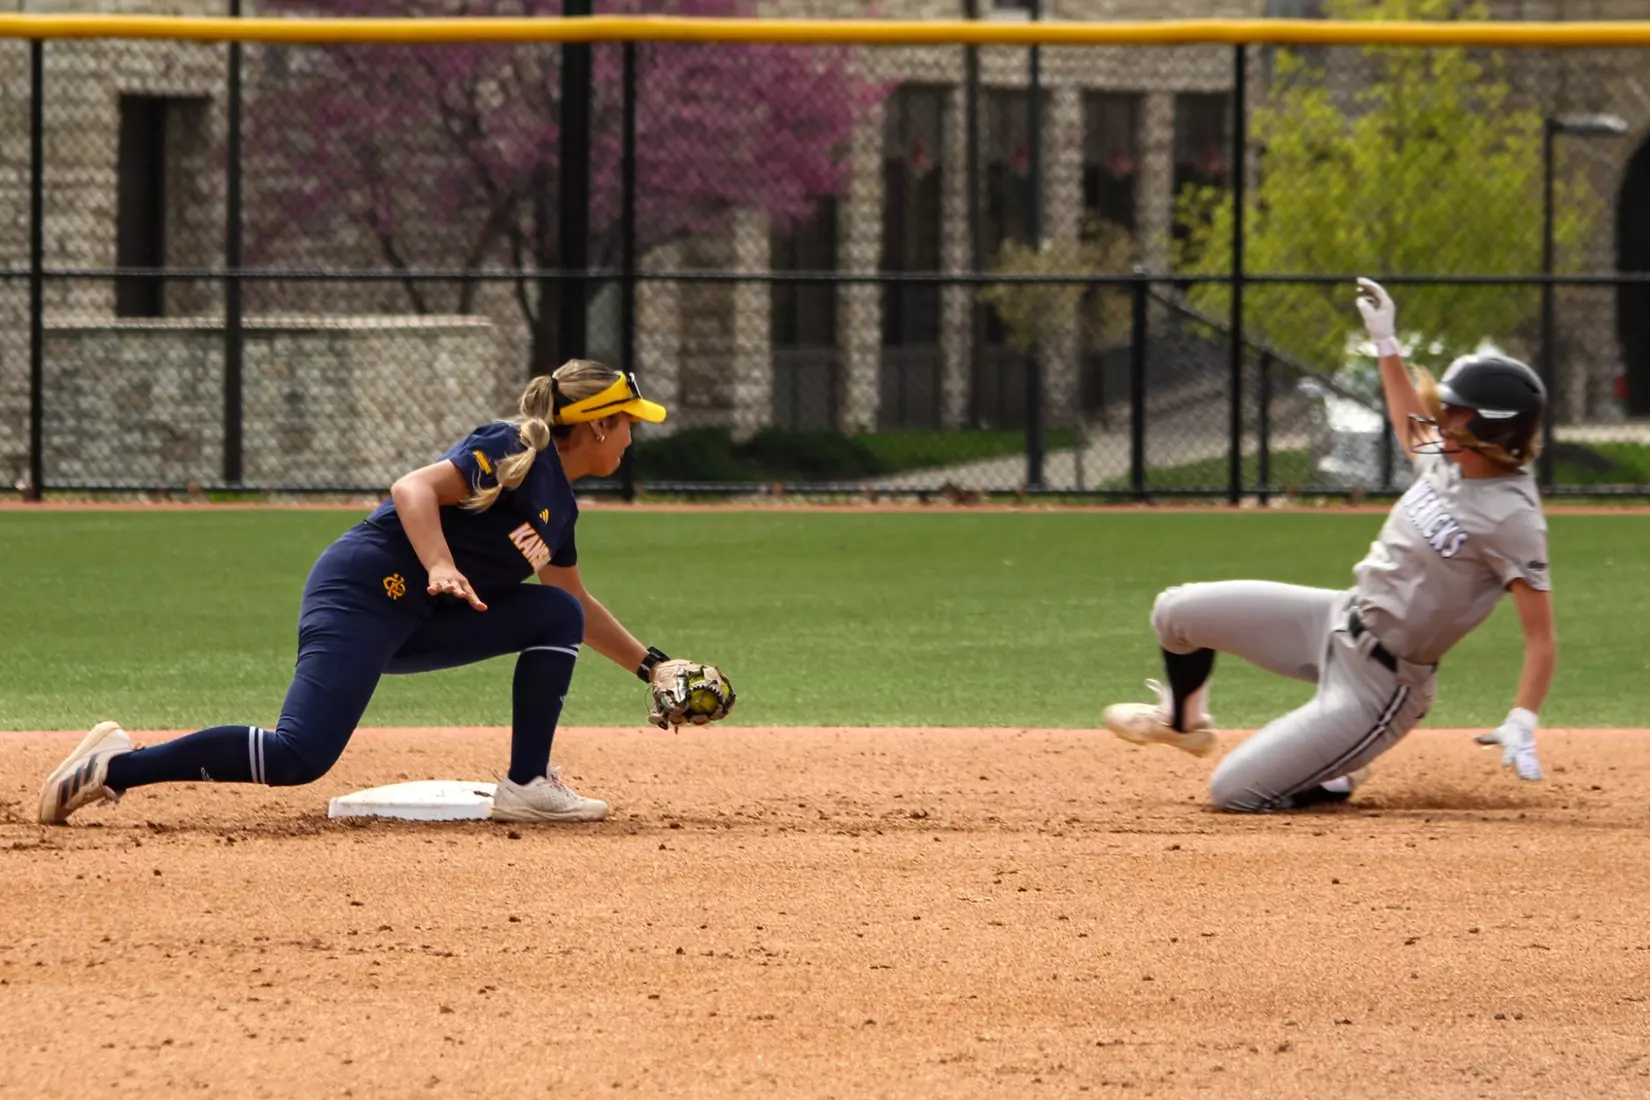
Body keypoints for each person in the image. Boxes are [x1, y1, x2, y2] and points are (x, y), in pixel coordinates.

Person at [40, 360, 735, 826]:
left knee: (554, 611)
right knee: (297, 757)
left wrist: (654, 666)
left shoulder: (561, 510)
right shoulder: (513, 448)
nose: (634, 437)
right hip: (366, 591)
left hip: (422, 618)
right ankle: (116, 766)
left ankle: (527, 786)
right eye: (630, 423)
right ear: (597, 424)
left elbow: (573, 601)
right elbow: (413, 489)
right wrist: (439, 563)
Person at [1101, 278, 1557, 811]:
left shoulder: (1513, 517)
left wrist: (1523, 716)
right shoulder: (1449, 457)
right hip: (1335, 620)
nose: (1443, 415)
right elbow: (1407, 421)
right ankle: (1184, 722)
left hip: (1383, 686)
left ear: (1495, 430)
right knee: (1176, 613)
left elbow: (1541, 636)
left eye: (1458, 412)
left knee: (1235, 793)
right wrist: (1385, 340)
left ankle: (1341, 769)